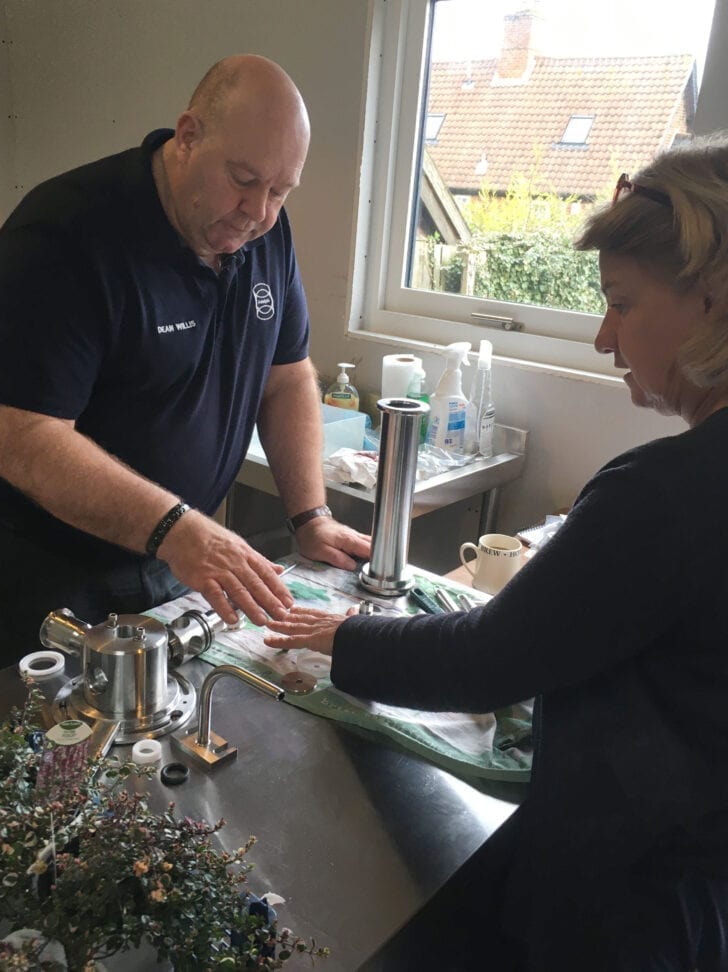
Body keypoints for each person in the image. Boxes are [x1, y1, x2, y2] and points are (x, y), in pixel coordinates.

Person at [264, 133, 728, 970]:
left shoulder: (665, 493)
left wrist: (343, 637)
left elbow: (488, 660)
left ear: (713, 296)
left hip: (632, 905)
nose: (603, 339)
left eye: (622, 303)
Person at [0, 54, 369, 679]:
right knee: (57, 735)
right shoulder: (62, 234)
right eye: (243, 179)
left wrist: (310, 515)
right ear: (188, 135)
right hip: (46, 565)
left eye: (280, 190)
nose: (258, 211)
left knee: (171, 720)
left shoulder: (265, 231)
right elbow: (22, 438)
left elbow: (285, 376)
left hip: (171, 551)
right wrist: (177, 528)